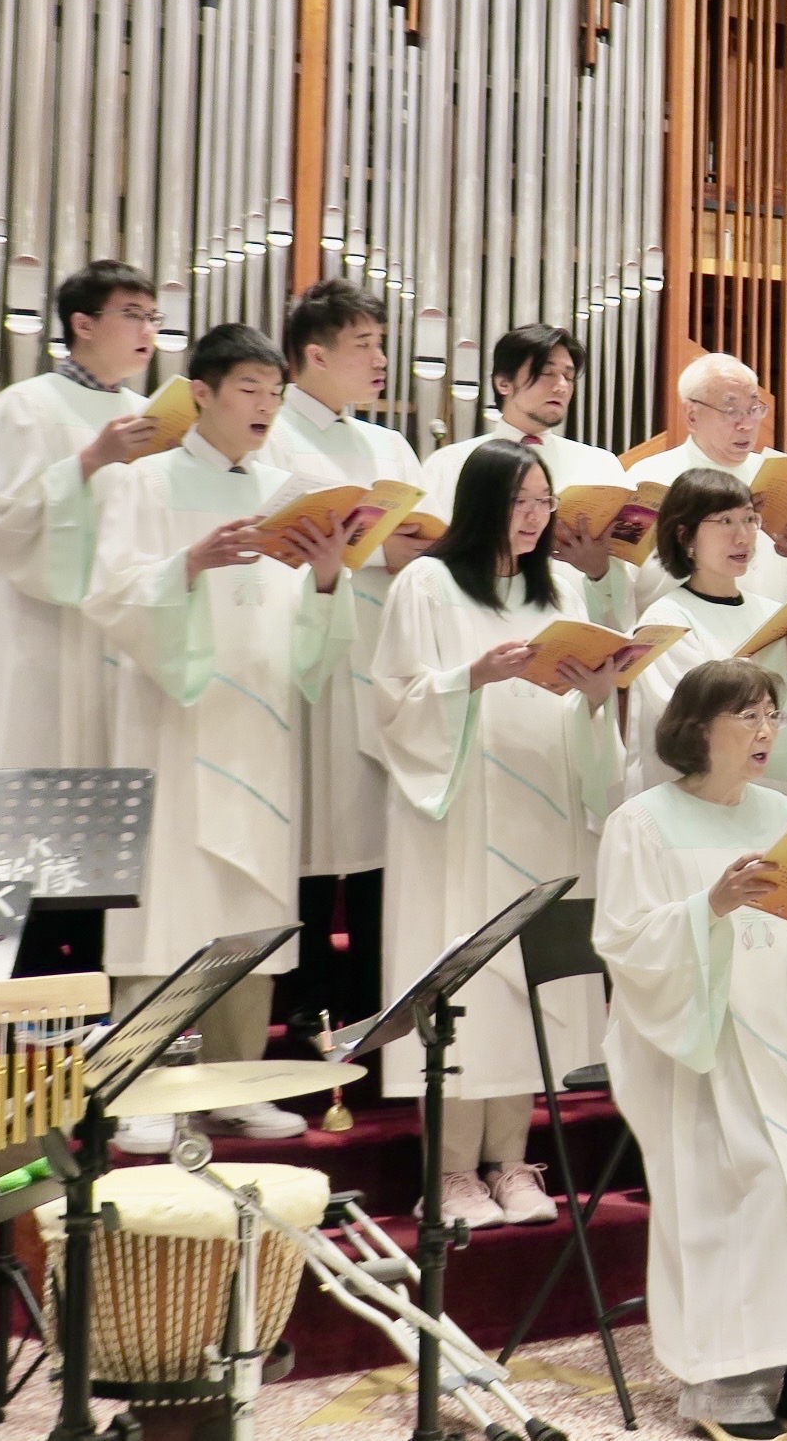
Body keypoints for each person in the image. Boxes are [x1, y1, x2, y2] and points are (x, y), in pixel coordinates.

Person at [88, 325, 355, 1154]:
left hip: (260, 721)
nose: (265, 407)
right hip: (177, 720)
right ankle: (142, 1088)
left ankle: (235, 1084)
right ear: (199, 391)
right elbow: (110, 595)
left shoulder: (289, 489)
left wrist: (324, 575)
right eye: (248, 389)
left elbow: (316, 634)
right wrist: (188, 566)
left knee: (250, 906)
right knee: (170, 905)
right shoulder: (143, 484)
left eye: (274, 393)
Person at [592, 659, 787, 1441]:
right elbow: (625, 939)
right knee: (734, 1198)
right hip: (695, 1044)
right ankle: (724, 1386)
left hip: (783, 1034)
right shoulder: (640, 821)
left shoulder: (783, 815)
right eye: (747, 716)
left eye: (772, 716)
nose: (766, 731)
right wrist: (709, 904)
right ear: (695, 728)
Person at [373, 436, 626, 1229]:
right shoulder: (426, 583)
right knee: (470, 981)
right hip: (462, 811)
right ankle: (450, 1171)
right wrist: (469, 679)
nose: (534, 517)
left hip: (543, 806)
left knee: (526, 990)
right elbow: (393, 699)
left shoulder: (559, 596)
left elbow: (586, 712)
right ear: (483, 502)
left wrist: (595, 694)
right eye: (520, 502)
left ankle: (514, 1162)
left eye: (545, 503)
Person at [256, 279, 425, 1037]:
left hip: (382, 647)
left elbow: (418, 538)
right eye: (364, 345)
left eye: (381, 343)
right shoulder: (273, 436)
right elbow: (280, 538)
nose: (381, 359)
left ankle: (368, 989)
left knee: (373, 826)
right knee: (314, 820)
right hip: (306, 649)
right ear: (313, 355)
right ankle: (306, 988)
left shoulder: (387, 443)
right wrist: (377, 549)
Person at [0, 259, 157, 767]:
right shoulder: (23, 407)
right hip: (46, 626)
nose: (149, 330)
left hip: (125, 625)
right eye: (133, 314)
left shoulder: (151, 418)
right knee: (44, 753)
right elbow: (3, 520)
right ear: (84, 324)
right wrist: (92, 460)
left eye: (153, 318)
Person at [627, 470, 787, 805]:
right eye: (725, 521)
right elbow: (686, 716)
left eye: (750, 519)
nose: (743, 537)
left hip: (768, 805)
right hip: (695, 807)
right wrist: (782, 663)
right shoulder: (665, 621)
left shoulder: (772, 614)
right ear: (685, 535)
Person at [419, 326, 634, 630]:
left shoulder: (600, 464)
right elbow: (432, 558)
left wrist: (599, 570)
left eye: (569, 376)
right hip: (479, 625)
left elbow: (622, 576)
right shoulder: (451, 463)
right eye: (547, 373)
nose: (561, 386)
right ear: (504, 383)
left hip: (575, 630)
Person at [626, 353, 787, 605]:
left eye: (754, 408)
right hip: (689, 633)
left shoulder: (785, 476)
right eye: (731, 410)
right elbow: (629, 585)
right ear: (692, 415)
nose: (747, 424)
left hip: (773, 632)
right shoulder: (648, 477)